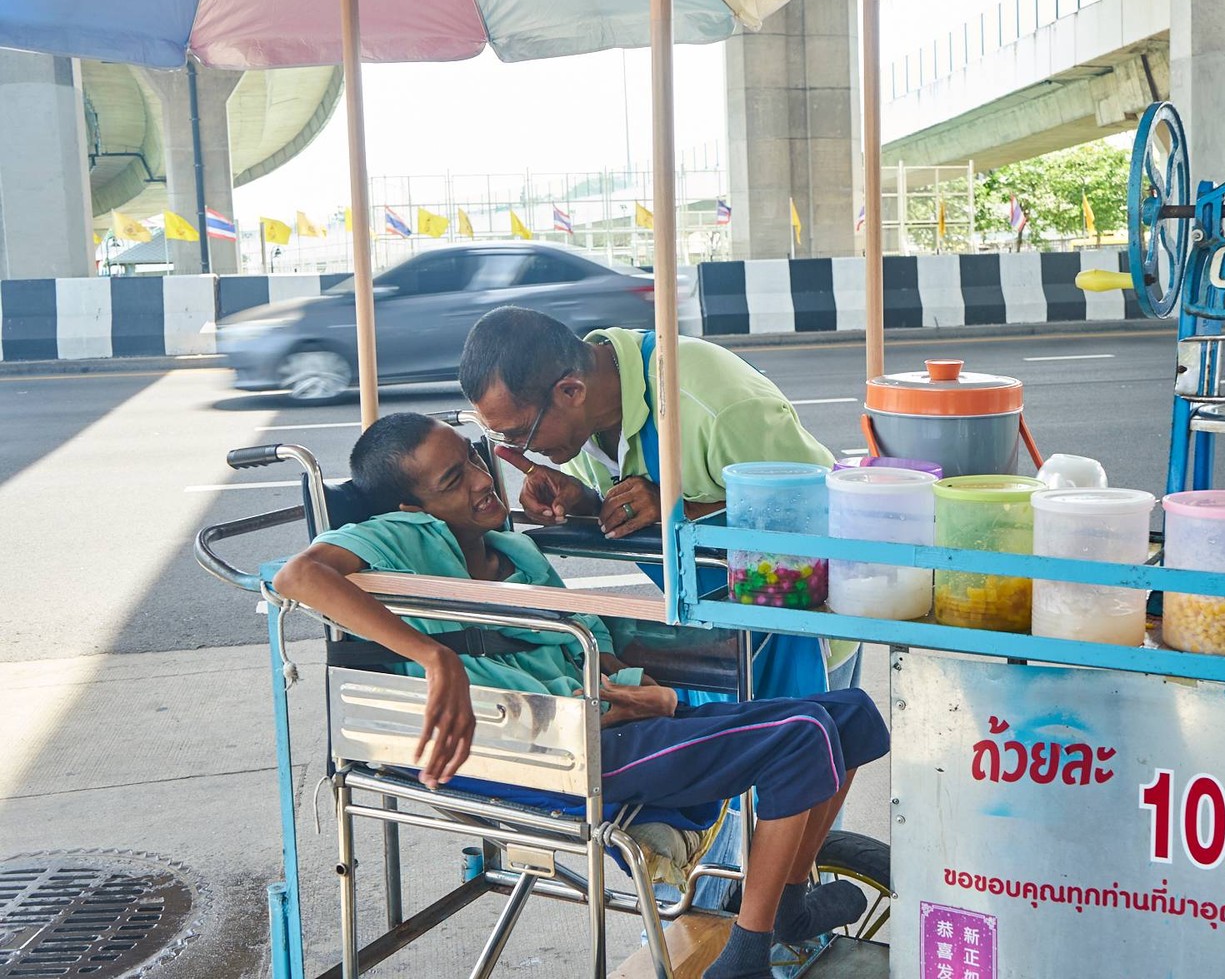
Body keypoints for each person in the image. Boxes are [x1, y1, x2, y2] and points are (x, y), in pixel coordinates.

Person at [273, 414, 890, 979]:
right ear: (414, 506)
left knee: (853, 716)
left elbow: (598, 651)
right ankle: (745, 959)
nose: (484, 481)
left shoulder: (516, 551)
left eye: (474, 460)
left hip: (603, 717)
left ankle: (782, 910)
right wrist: (433, 656)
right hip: (542, 749)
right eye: (455, 478)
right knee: (803, 739)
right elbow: (297, 576)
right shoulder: (404, 534)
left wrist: (651, 695)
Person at [458, 306, 858, 697]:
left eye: (521, 435)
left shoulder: (714, 404)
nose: (522, 451)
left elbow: (822, 509)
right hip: (708, 634)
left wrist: (681, 509)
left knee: (814, 749)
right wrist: (585, 503)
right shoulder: (580, 422)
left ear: (571, 391)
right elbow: (627, 509)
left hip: (803, 628)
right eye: (504, 441)